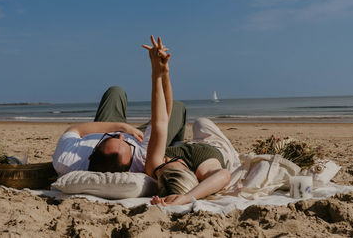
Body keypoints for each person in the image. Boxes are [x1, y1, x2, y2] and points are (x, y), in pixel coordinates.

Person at [142, 36, 231, 206]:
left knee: (189, 125)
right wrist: (186, 198)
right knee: (201, 122)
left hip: (190, 144)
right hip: (216, 144)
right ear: (189, 173)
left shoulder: (155, 166)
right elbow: (224, 175)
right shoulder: (204, 170)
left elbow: (161, 120)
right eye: (176, 163)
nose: (167, 160)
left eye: (163, 167)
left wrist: (161, 72)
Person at [52, 73, 187, 177]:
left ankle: (115, 134)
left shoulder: (66, 161)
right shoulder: (142, 159)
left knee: (115, 92)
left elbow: (74, 129)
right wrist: (163, 72)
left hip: (115, 128)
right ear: (129, 169)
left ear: (91, 154)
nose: (122, 136)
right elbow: (163, 115)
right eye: (126, 144)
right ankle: (175, 146)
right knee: (178, 107)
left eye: (111, 138)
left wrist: (122, 127)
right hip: (142, 141)